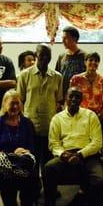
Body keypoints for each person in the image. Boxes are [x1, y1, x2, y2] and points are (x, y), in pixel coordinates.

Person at [42, 86, 103, 206]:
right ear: (66, 97)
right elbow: (53, 144)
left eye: (77, 97)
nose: (74, 100)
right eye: (71, 96)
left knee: (101, 181)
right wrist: (64, 155)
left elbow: (97, 142)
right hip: (66, 156)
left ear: (81, 100)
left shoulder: (90, 116)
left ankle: (79, 200)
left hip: (88, 155)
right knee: (48, 168)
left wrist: (80, 155)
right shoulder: (57, 118)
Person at [17, 44, 63, 172]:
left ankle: (48, 188)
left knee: (48, 161)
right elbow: (20, 100)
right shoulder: (24, 75)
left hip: (50, 125)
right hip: (30, 125)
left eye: (47, 55)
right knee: (32, 160)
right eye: (41, 54)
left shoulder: (57, 77)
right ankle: (34, 189)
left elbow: (59, 101)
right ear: (36, 56)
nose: (44, 58)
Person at [70, 52, 103, 132]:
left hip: (99, 118)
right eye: (91, 60)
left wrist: (100, 114)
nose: (93, 62)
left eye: (96, 61)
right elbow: (69, 99)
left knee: (98, 143)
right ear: (85, 62)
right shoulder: (76, 79)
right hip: (81, 118)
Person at [55, 26, 87, 98]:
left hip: (79, 96)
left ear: (74, 38)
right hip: (63, 95)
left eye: (66, 38)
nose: (63, 41)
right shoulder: (61, 57)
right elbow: (57, 77)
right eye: (62, 38)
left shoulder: (85, 56)